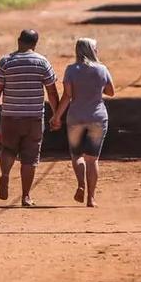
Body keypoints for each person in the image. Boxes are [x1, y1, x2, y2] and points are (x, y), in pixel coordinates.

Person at [0, 29, 60, 207]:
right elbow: (52, 91)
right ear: (35, 44)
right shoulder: (43, 62)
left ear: (19, 41)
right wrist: (57, 115)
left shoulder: (7, 61)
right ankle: (25, 196)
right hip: (34, 118)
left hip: (10, 116)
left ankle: (5, 175)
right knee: (30, 158)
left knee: (8, 149)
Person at [50, 38, 114, 207]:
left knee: (76, 155)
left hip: (76, 117)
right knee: (92, 160)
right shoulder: (102, 69)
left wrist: (56, 116)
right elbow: (111, 91)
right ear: (92, 51)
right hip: (98, 117)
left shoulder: (71, 70)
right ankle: (91, 198)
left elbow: (67, 96)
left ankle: (80, 185)